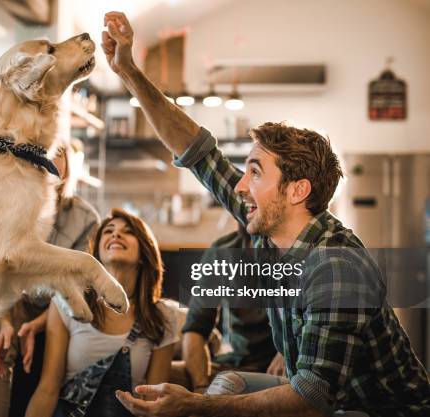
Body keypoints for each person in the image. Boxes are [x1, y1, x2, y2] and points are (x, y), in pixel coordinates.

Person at [101, 11, 430, 417]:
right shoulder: (272, 225)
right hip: (330, 400)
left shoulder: (337, 266)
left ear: (297, 191)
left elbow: (311, 399)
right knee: (228, 386)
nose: (240, 186)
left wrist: (194, 406)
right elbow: (199, 152)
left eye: (254, 173)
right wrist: (129, 71)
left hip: (380, 411)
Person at [0, 140, 101, 417]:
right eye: (41, 154)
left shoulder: (85, 218)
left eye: (57, 154)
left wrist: (38, 324)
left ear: (68, 165)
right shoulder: (9, 209)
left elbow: (79, 285)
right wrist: (6, 321)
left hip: (58, 308)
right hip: (11, 300)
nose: (48, 159)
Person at [24, 208, 180, 417]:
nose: (116, 234)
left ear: (144, 252)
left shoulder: (163, 315)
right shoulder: (69, 302)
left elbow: (153, 404)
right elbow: (47, 390)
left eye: (128, 231)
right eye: (108, 231)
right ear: (96, 252)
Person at [171, 225, 280, 393]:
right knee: (168, 374)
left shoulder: (299, 248)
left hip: (286, 365)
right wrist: (200, 388)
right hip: (235, 364)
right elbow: (195, 328)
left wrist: (288, 353)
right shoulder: (222, 251)